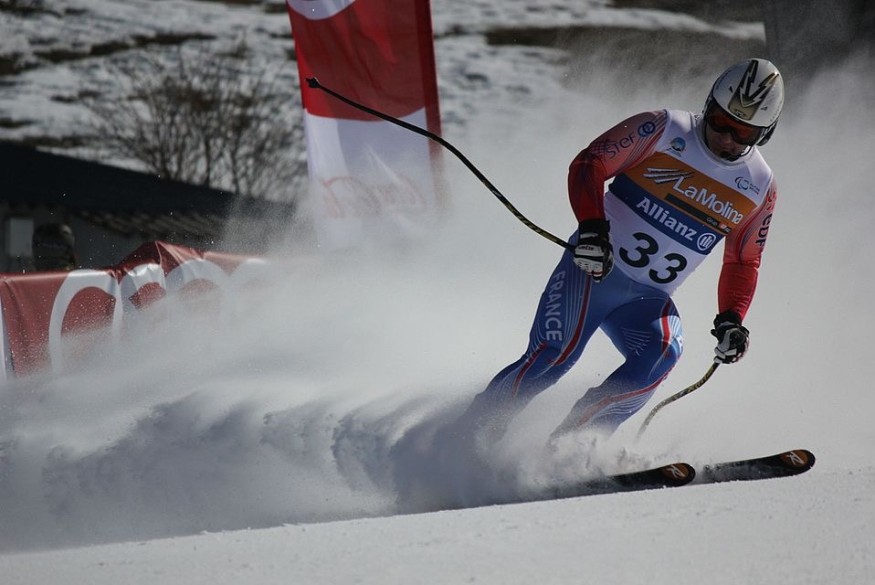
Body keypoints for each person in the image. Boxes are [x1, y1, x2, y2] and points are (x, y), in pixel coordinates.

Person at [459, 58, 783, 449]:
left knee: (663, 354)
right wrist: (594, 229)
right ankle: (467, 438)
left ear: (764, 133)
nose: (727, 138)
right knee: (553, 358)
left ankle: (571, 448)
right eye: (719, 121)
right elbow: (589, 163)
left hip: (648, 300)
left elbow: (743, 260)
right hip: (593, 274)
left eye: (743, 132)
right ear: (708, 104)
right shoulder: (663, 128)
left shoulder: (760, 186)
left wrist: (732, 319)